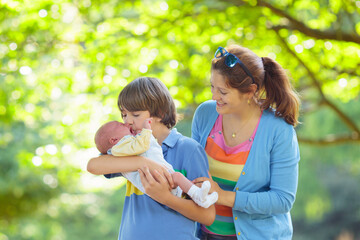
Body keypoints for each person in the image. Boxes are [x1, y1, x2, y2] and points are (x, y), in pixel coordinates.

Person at [191, 45, 300, 240]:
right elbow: (192, 169)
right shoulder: (205, 114)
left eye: (223, 92)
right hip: (204, 234)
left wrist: (223, 196)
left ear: (250, 91)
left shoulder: (278, 129)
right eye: (212, 87)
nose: (214, 97)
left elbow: (282, 200)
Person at [87, 77, 216, 240]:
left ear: (160, 114)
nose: (128, 122)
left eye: (135, 114)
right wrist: (143, 162)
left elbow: (208, 216)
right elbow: (93, 166)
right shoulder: (129, 150)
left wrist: (166, 198)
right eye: (124, 115)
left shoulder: (187, 149)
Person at [94, 119, 218, 208]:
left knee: (179, 178)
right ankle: (198, 195)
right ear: (114, 140)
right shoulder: (119, 148)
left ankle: (199, 195)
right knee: (178, 177)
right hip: (155, 180)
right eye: (122, 123)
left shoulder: (124, 146)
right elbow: (140, 146)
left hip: (159, 178)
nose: (127, 122)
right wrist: (146, 131)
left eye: (135, 115)